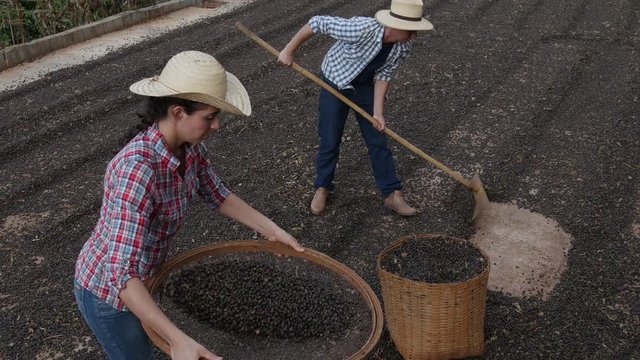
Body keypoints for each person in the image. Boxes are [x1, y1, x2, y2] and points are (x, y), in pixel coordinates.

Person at [74, 50, 304, 360]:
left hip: (146, 278)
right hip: (110, 296)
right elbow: (120, 273)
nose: (217, 125)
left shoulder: (190, 149)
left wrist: (273, 231)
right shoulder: (136, 170)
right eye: (210, 117)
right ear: (179, 112)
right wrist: (178, 339)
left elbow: (216, 193)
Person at [278, 0, 433, 216]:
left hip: (364, 86)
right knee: (330, 137)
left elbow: (384, 75)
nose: (414, 35)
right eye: (411, 30)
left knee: (378, 138)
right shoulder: (361, 29)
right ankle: (323, 187)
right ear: (396, 26)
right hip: (335, 81)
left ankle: (391, 194)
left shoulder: (402, 45)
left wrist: (378, 113)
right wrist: (288, 50)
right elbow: (316, 22)